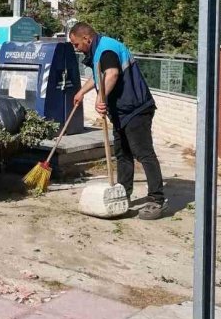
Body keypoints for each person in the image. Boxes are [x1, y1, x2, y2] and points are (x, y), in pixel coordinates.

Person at [68, 22, 167, 221]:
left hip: (136, 109)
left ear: (86, 38)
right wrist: (81, 92)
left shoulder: (106, 50)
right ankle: (124, 194)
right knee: (123, 154)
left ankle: (157, 199)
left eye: (76, 44)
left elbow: (112, 73)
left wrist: (100, 99)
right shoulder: (100, 49)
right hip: (122, 112)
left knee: (143, 153)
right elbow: (100, 76)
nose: (75, 48)